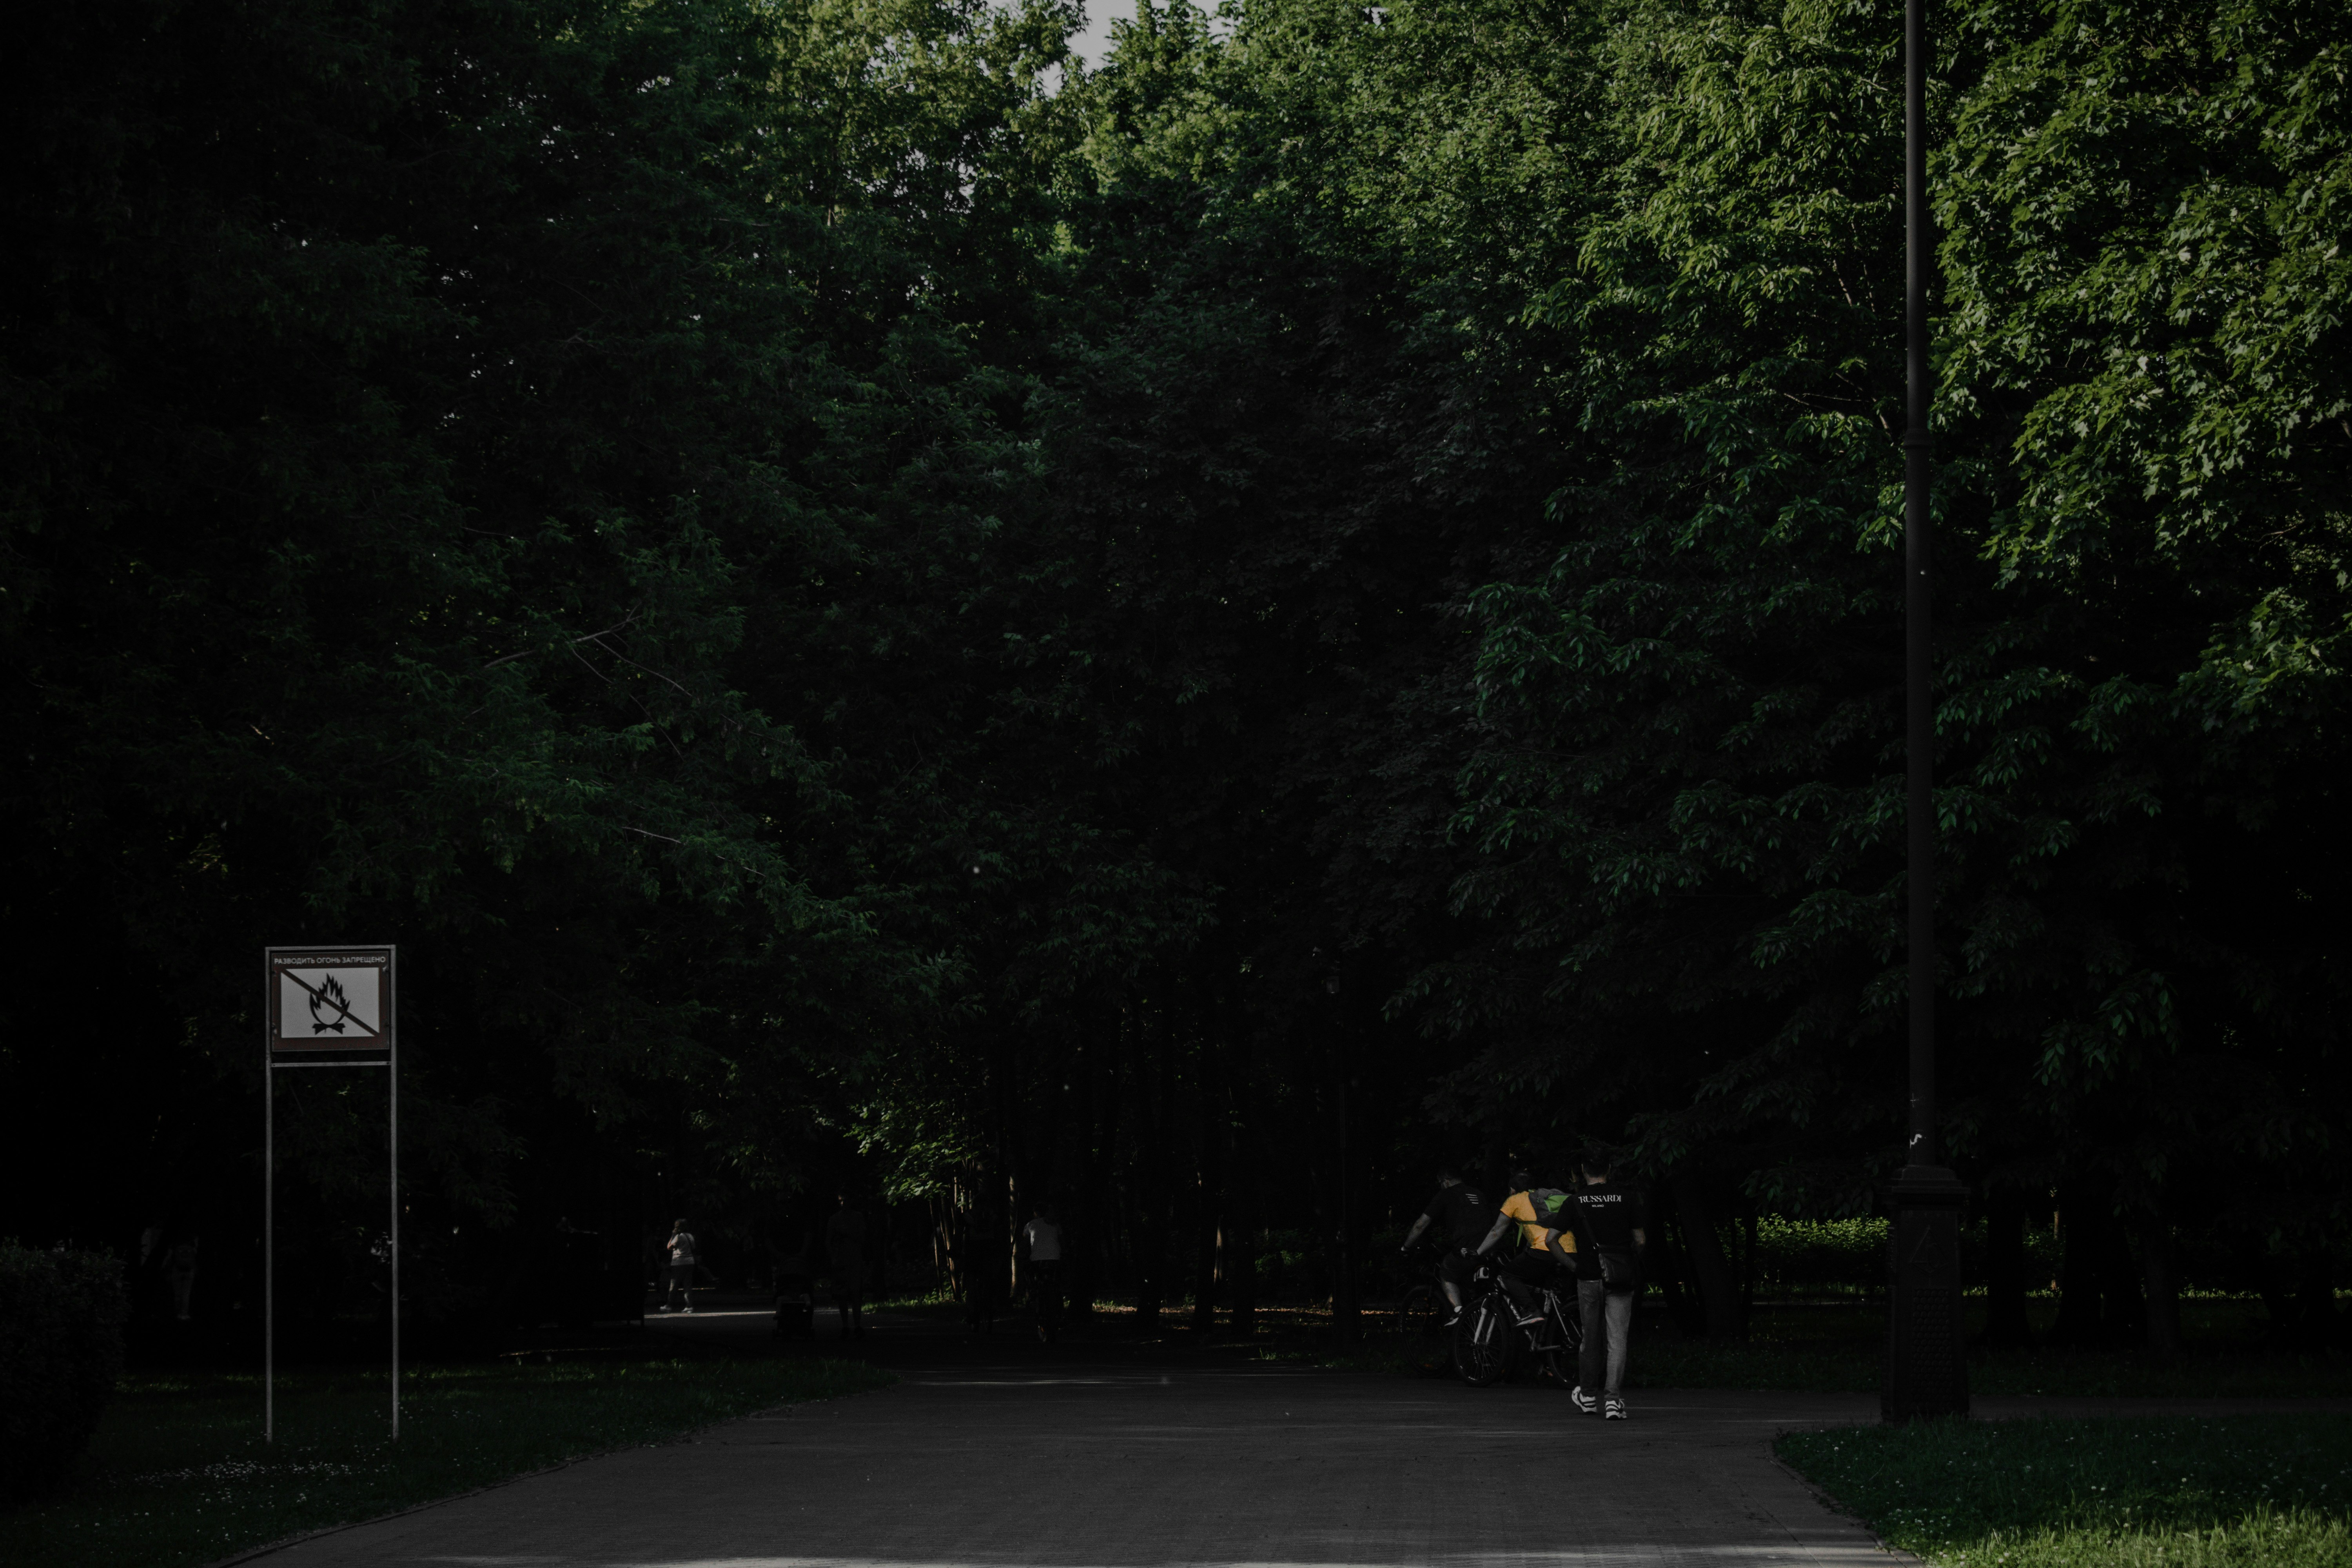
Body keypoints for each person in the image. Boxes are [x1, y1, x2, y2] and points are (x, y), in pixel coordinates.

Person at [1566, 1149, 1647, 1421]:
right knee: (1617, 1340)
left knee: (1591, 1338)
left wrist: (1572, 1265)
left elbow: (1553, 1238)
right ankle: (1613, 1401)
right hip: (1621, 1277)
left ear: (1582, 1170)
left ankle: (1588, 1397)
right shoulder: (1627, 1198)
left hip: (1587, 1276)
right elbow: (1641, 1240)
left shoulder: (1575, 1201)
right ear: (1609, 1169)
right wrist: (1625, 1256)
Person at [1475, 1171, 1577, 1331]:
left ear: (1513, 1190)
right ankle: (1550, 1333)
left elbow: (1497, 1231)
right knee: (1543, 1290)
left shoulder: (1514, 1200)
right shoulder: (1543, 1199)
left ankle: (1532, 1311)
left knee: (1508, 1276)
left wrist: (1478, 1252)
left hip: (1546, 1250)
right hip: (1572, 1251)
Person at [1398, 1165, 1491, 1320]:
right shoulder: (1478, 1194)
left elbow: (1421, 1225)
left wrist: (1405, 1247)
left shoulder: (1446, 1194)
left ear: (1446, 1181)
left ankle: (1459, 1314)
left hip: (1467, 1249)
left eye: (1440, 1183)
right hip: (1489, 1247)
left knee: (1447, 1272)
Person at [826, 1195, 869, 1339]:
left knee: (856, 1293)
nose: (844, 1203)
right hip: (840, 1262)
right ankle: (845, 1326)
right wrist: (833, 1258)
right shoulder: (834, 1219)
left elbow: (863, 1239)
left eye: (846, 1199)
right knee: (842, 1295)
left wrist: (848, 1233)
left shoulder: (858, 1217)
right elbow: (828, 1241)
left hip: (855, 1261)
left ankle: (857, 1325)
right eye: (841, 1200)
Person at [1020, 1205, 1063, 1342]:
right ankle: (1057, 1301)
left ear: (1036, 1213)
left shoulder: (1031, 1224)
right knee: (1054, 1281)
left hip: (1038, 1261)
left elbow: (1026, 1243)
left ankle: (1032, 1294)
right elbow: (1061, 1241)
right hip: (1055, 1260)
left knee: (1032, 1275)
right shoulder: (1056, 1225)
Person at [662, 1219, 697, 1314]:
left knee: (674, 1286)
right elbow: (693, 1248)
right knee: (688, 1285)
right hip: (690, 1262)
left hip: (679, 1263)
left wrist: (673, 1235)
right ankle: (689, 1307)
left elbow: (669, 1247)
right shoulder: (690, 1236)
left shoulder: (679, 1237)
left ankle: (669, 1306)